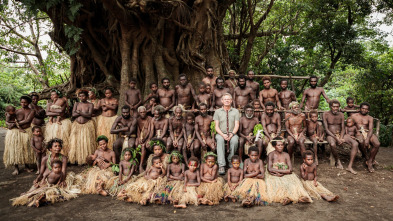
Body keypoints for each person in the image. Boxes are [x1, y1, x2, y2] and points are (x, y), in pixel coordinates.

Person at [11, 160, 79, 207]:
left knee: (44, 190)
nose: (57, 169)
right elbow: (44, 176)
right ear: (52, 168)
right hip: (46, 183)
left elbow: (60, 180)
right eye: (55, 168)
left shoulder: (61, 173)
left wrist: (58, 184)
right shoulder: (50, 172)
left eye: (59, 167)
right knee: (37, 188)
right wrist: (43, 180)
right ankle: (28, 193)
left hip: (51, 185)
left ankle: (35, 196)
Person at [265, 137, 312, 205]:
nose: (281, 147)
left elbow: (290, 169)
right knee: (277, 185)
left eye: (282, 145)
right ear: (274, 146)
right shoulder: (271, 154)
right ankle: (285, 198)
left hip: (285, 174)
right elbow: (269, 169)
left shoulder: (286, 155)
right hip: (274, 174)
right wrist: (278, 173)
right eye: (278, 145)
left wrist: (281, 172)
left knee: (292, 184)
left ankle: (296, 197)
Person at [3, 95, 36, 175]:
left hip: (26, 131)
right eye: (22, 102)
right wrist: (9, 124)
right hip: (15, 132)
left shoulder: (32, 111)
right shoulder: (16, 111)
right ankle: (16, 168)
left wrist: (14, 123)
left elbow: (27, 120)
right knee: (14, 150)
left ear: (28, 103)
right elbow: (7, 120)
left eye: (25, 102)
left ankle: (27, 166)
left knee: (26, 149)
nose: (23, 104)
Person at [213, 93, 240, 175]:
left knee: (235, 141)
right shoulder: (217, 112)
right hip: (221, 133)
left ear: (231, 101)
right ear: (222, 101)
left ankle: (230, 160)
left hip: (232, 133)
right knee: (220, 140)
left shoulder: (235, 111)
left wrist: (232, 134)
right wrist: (223, 135)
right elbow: (216, 127)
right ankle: (222, 165)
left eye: (228, 99)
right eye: (225, 99)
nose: (227, 101)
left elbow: (237, 125)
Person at [351, 102, 380, 172]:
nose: (364, 110)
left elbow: (370, 129)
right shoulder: (354, 116)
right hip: (358, 132)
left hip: (368, 132)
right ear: (360, 108)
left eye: (366, 109)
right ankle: (367, 157)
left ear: (368, 110)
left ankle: (370, 161)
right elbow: (350, 126)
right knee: (361, 141)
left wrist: (367, 138)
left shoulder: (370, 118)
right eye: (363, 108)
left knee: (377, 144)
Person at [69, 90, 96, 165]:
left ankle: (86, 160)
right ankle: (77, 159)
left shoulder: (90, 104)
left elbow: (89, 115)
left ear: (87, 96)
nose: (81, 97)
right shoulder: (76, 104)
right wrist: (83, 113)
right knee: (76, 142)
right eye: (80, 96)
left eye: (83, 96)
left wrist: (79, 112)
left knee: (86, 142)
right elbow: (73, 115)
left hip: (86, 125)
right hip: (77, 125)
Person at [45, 90, 71, 156]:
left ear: (58, 95)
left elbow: (61, 111)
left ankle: (64, 155)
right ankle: (53, 156)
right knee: (52, 140)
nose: (52, 96)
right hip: (52, 124)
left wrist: (51, 110)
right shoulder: (49, 104)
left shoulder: (62, 102)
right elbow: (47, 113)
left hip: (62, 123)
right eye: (51, 95)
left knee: (63, 140)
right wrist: (56, 111)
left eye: (54, 94)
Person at [322, 99, 345, 169]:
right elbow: (326, 129)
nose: (335, 108)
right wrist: (336, 139)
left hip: (339, 135)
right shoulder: (325, 114)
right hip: (330, 135)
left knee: (354, 143)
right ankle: (337, 161)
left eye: (337, 107)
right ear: (330, 106)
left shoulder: (341, 115)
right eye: (334, 107)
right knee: (332, 144)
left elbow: (343, 128)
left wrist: (341, 138)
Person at [135, 106, 153, 172]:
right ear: (139, 113)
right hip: (140, 137)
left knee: (143, 146)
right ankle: (136, 163)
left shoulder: (150, 119)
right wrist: (139, 137)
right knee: (136, 143)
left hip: (148, 137)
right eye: (141, 112)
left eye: (144, 112)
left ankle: (141, 165)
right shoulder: (137, 120)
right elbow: (138, 130)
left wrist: (146, 139)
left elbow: (150, 130)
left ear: (146, 112)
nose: (143, 113)